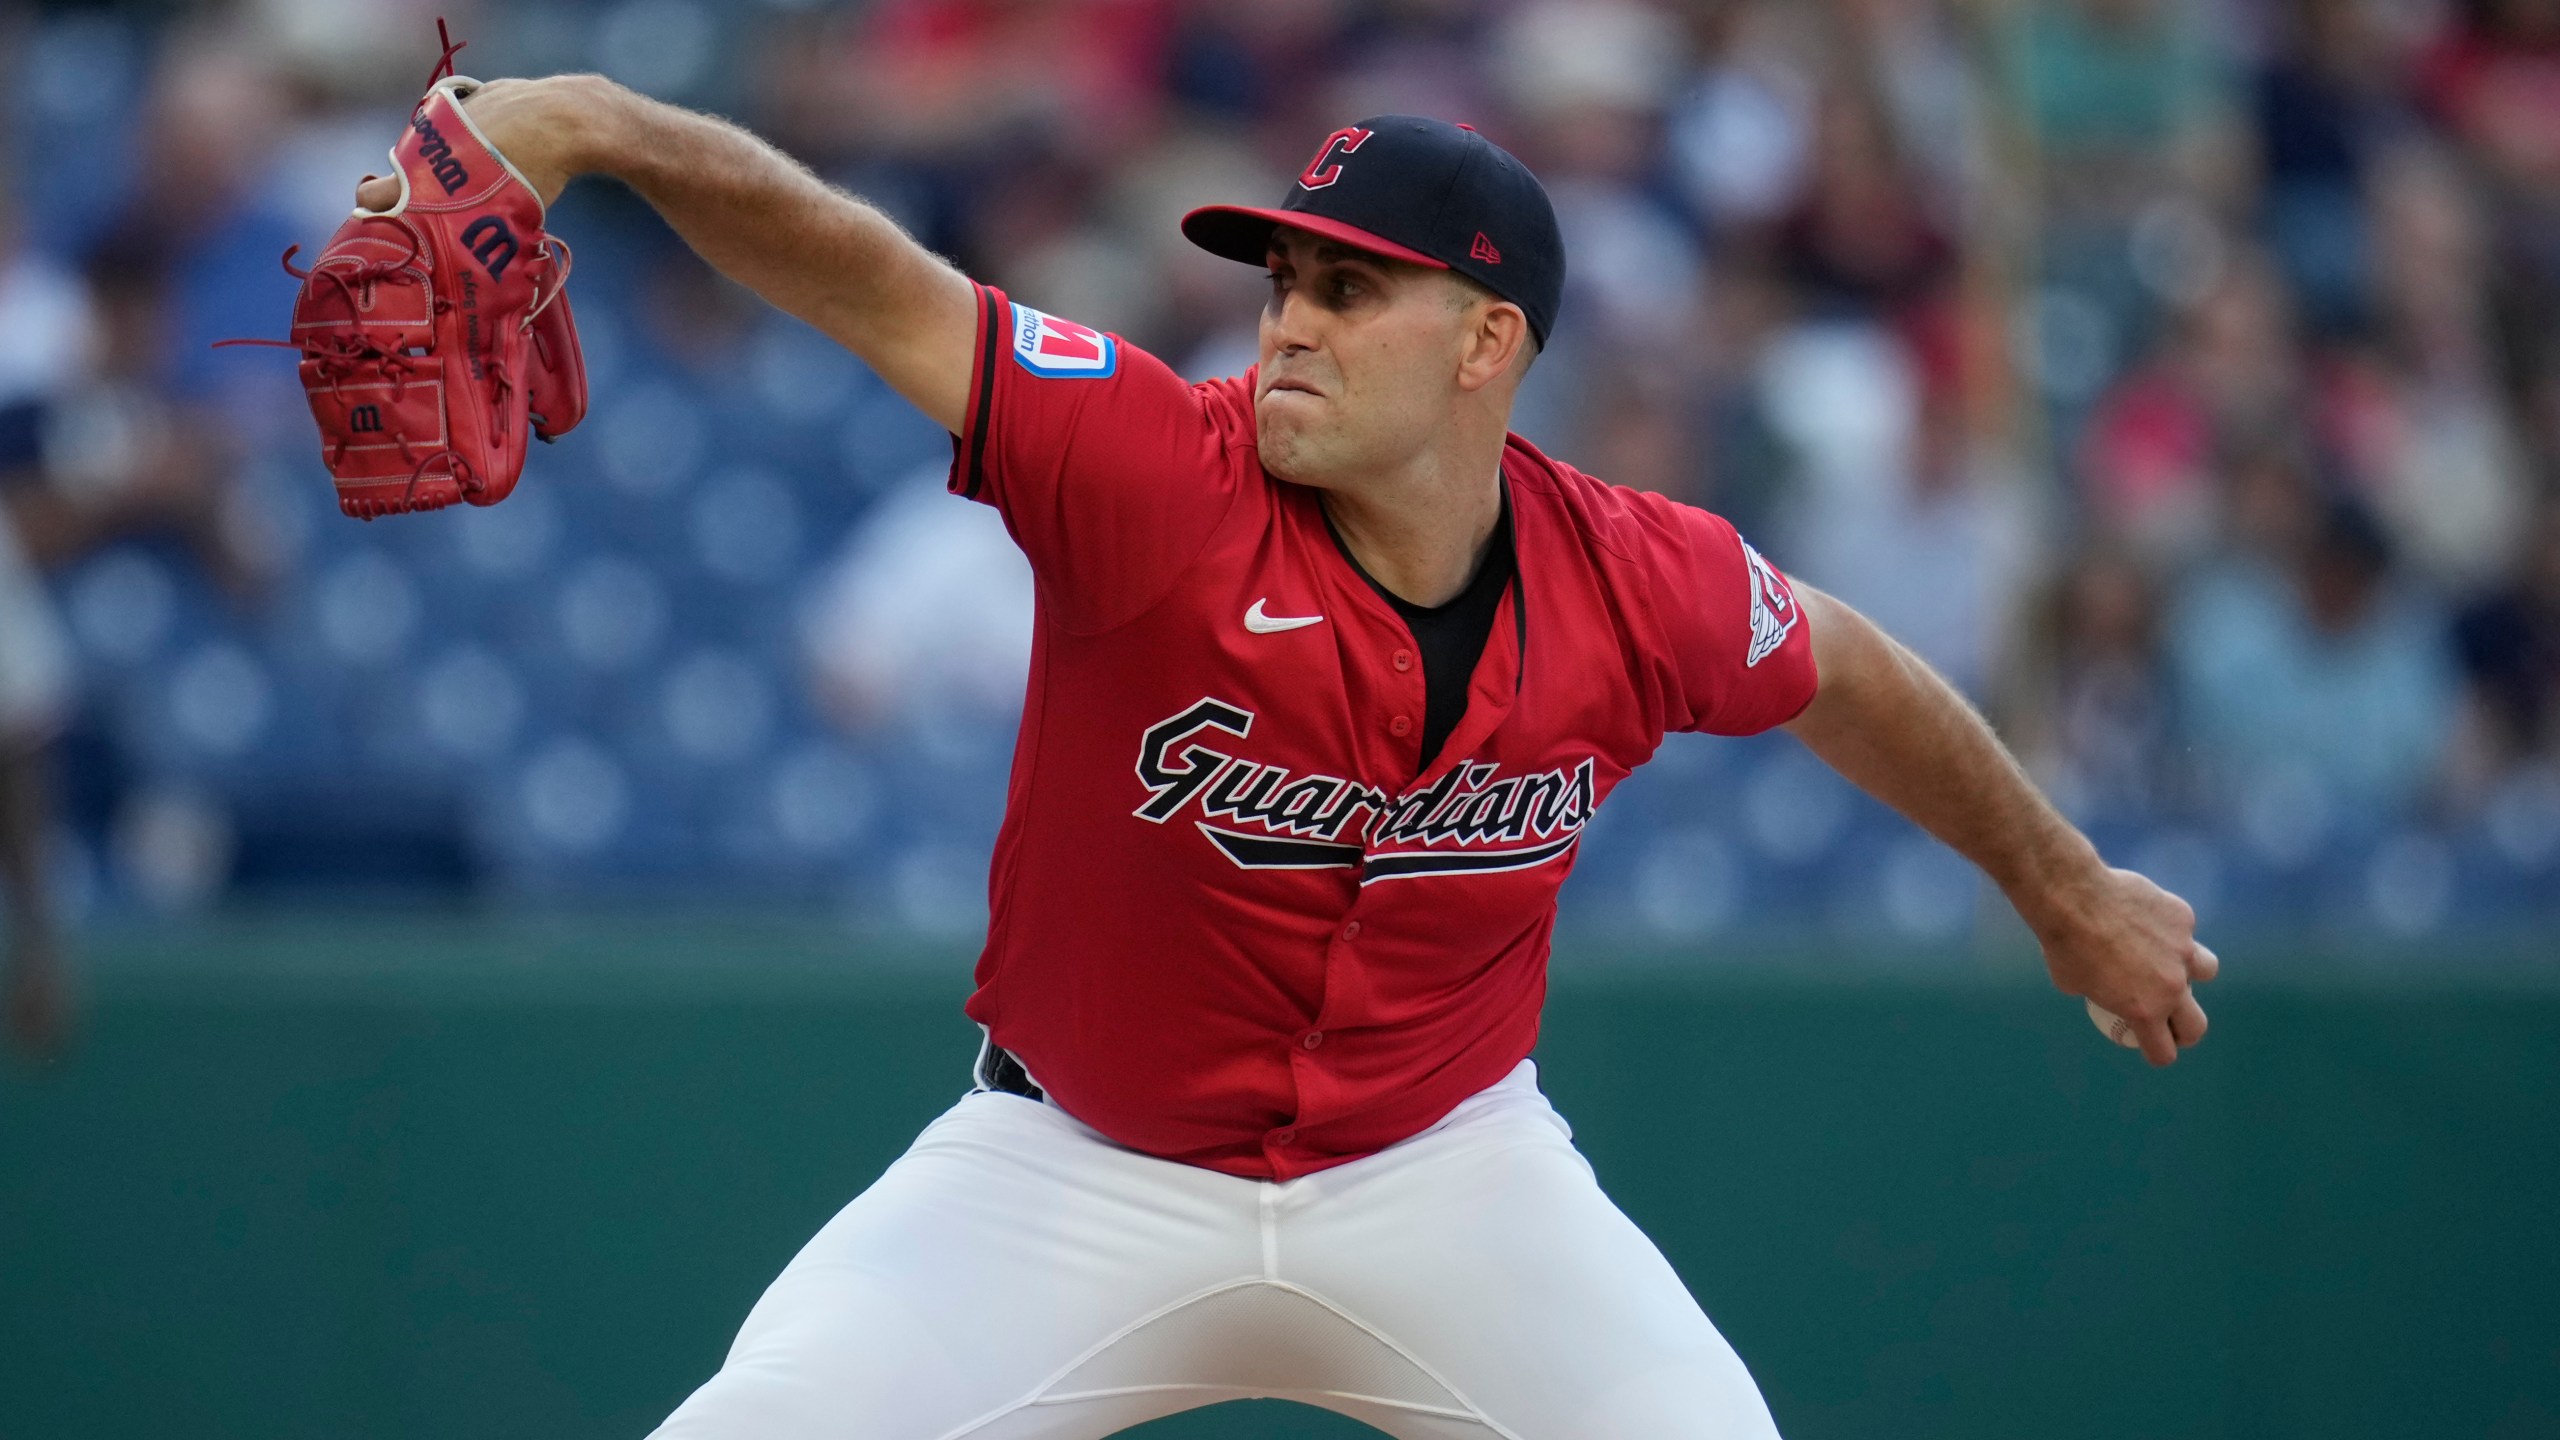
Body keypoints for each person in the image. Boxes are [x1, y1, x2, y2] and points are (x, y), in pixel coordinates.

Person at [356, 77, 2217, 1438]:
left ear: (1490, 343)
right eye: (1281, 284)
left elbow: (1853, 674)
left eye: (1349, 290)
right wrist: (600, 120)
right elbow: (866, 275)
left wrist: (2060, 888)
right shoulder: (1156, 468)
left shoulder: (1636, 581)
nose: (1289, 325)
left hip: (1449, 1174)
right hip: (1070, 1167)